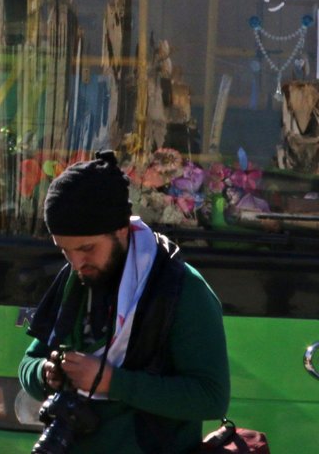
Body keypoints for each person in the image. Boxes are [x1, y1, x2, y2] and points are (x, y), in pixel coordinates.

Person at [18, 150, 230, 453]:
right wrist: (46, 374)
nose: (77, 263)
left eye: (88, 248)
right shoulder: (74, 280)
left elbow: (211, 397)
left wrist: (113, 382)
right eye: (65, 250)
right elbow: (29, 363)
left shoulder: (181, 288)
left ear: (121, 229)